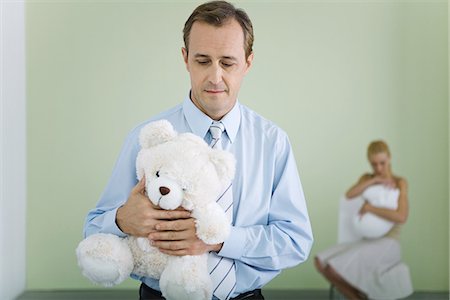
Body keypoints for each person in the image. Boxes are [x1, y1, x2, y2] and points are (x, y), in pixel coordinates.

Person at [83, 1, 313, 300]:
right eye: (203, 61)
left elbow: (295, 242)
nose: (215, 77)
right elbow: (92, 230)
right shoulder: (148, 138)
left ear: (248, 62)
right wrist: (121, 219)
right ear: (185, 58)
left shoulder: (273, 142)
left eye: (227, 62)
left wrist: (218, 239)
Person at [314, 140, 412, 299]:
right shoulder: (367, 178)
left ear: (389, 158)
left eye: (382, 163)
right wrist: (375, 180)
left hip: (388, 242)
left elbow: (401, 216)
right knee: (320, 261)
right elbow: (349, 194)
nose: (379, 168)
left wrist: (370, 208)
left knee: (333, 268)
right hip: (365, 240)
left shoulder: (399, 182)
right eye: (374, 164)